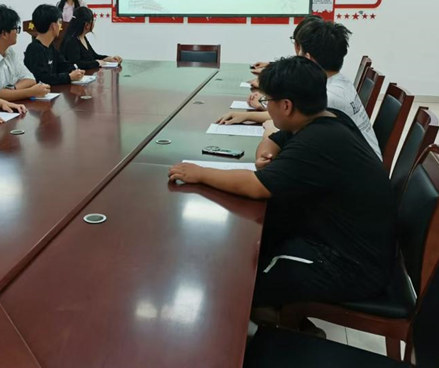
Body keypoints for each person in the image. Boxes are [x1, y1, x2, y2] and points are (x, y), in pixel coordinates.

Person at [169, 57, 395, 316]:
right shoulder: (327, 118)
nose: (266, 107)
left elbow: (257, 186)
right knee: (255, 241)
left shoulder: (319, 140)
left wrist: (200, 173)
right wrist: (264, 155)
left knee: (238, 282)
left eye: (268, 101)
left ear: (286, 106)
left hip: (350, 266)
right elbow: (275, 140)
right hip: (339, 238)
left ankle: (266, 327)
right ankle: (277, 316)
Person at [218, 20, 382, 159]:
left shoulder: (328, 96)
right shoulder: (339, 81)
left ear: (308, 59)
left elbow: (290, 121)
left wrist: (254, 118)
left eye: (299, 52)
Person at [24, 4, 85, 85]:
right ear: (53, 26)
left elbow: (63, 65)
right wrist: (69, 77)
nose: (60, 25)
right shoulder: (34, 49)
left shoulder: (50, 46)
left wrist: (75, 70)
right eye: (59, 22)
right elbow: (42, 78)